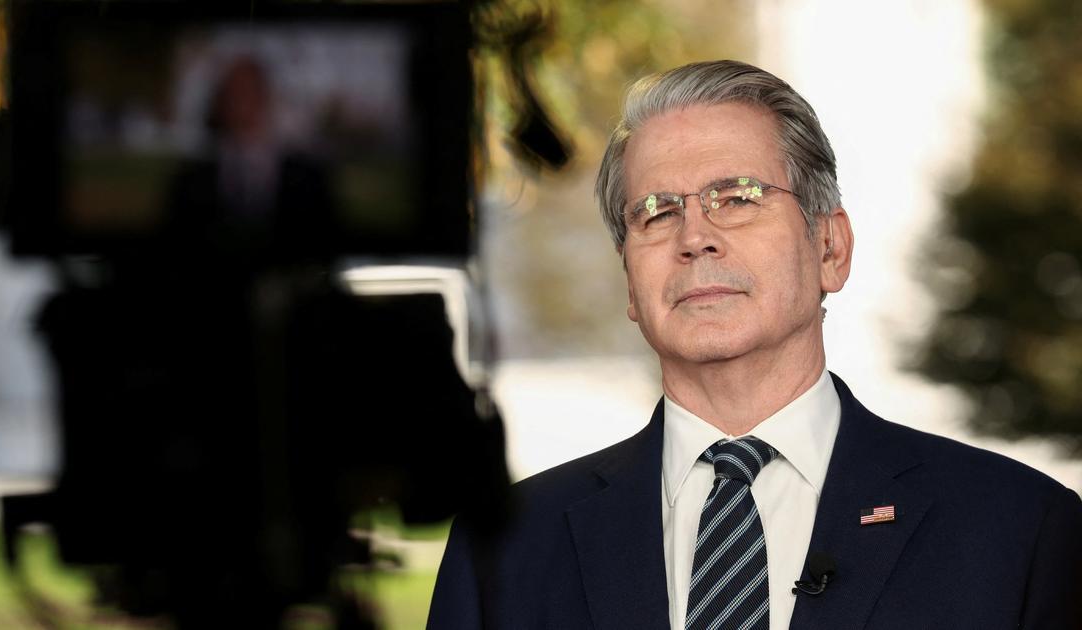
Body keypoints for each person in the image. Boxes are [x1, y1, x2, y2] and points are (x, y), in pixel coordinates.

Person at [427, 60, 1082, 629]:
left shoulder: (1021, 530)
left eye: (737, 198)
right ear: (630, 282)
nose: (695, 237)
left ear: (830, 248)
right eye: (656, 212)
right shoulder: (504, 550)